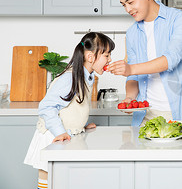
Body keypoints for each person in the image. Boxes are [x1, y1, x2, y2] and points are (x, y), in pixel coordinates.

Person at [108, 0, 182, 127]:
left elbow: (171, 60)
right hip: (147, 114)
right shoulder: (132, 33)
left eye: (130, 2)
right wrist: (130, 98)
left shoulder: (179, 19)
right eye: (124, 5)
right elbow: (133, 76)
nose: (127, 9)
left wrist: (130, 69)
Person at [24, 32, 115, 189]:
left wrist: (80, 127)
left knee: (64, 178)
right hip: (53, 135)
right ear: (90, 57)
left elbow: (72, 108)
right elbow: (47, 107)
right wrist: (59, 132)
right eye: (107, 55)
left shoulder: (87, 76)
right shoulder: (70, 77)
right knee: (47, 175)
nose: (110, 59)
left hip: (66, 135)